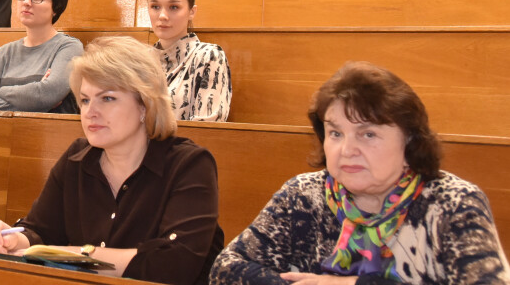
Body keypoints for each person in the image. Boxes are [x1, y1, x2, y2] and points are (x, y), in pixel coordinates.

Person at [210, 62, 510, 284]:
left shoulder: (453, 203)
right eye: (336, 133)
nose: (347, 149)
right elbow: (226, 268)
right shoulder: (303, 195)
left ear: (409, 140)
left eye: (367, 134)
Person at [0, 36, 224, 284]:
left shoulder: (190, 165)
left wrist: (78, 255)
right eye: (84, 100)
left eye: (107, 98)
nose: (90, 112)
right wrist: (9, 239)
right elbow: (41, 231)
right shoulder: (77, 158)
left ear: (144, 105)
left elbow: (173, 266)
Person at [146, 0, 231, 122]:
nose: (162, 16)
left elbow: (208, 127)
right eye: (155, 6)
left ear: (192, 12)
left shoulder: (209, 56)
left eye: (173, 7)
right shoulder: (139, 60)